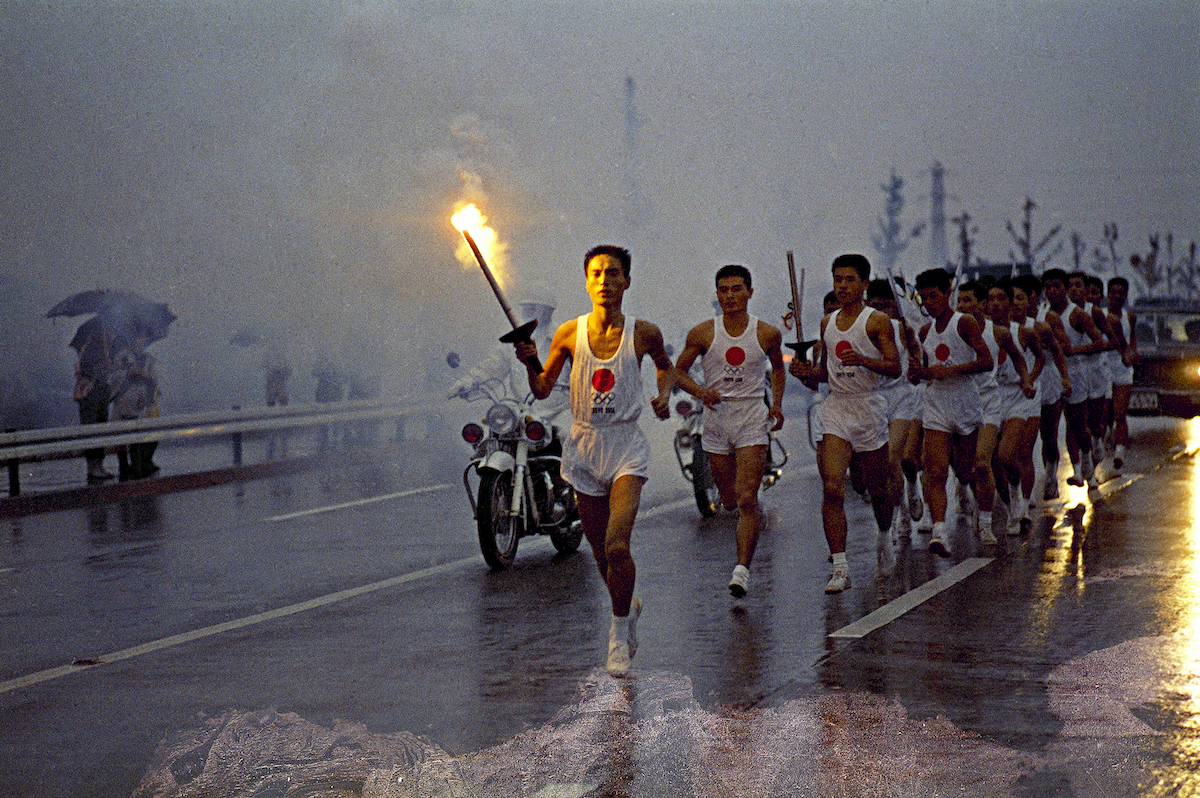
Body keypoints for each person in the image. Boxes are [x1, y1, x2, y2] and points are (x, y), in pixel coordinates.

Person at [514, 245, 675, 676]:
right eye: (597, 273)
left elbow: (664, 365)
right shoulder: (569, 333)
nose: (605, 280)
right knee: (601, 555)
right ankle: (629, 606)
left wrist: (662, 394)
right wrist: (531, 362)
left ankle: (618, 637)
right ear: (587, 281)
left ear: (627, 281)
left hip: (625, 446)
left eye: (614, 273)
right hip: (584, 446)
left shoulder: (644, 332)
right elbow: (544, 388)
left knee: (617, 544)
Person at [674, 264, 786, 598]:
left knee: (747, 498)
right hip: (716, 419)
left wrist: (776, 405)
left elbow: (778, 370)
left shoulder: (766, 333)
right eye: (723, 290)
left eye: (737, 289)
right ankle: (747, 508)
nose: (730, 296)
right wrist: (700, 392)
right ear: (717, 294)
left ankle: (741, 571)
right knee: (729, 501)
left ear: (750, 292)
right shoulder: (702, 333)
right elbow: (677, 372)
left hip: (752, 415)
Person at [789, 254, 899, 593]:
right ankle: (840, 566)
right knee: (833, 488)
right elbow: (824, 373)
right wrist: (806, 374)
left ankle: (884, 535)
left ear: (865, 284)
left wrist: (864, 359)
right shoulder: (828, 323)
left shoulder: (878, 321)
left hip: (868, 406)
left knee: (876, 488)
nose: (842, 286)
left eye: (850, 280)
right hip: (836, 407)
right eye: (838, 280)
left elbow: (895, 368)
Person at [909, 268, 992, 557]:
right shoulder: (923, 331)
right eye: (924, 298)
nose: (929, 302)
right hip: (936, 404)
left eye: (934, 296)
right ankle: (939, 532)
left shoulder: (964, 322)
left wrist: (950, 370)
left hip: (965, 401)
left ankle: (972, 500)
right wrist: (916, 372)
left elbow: (986, 361)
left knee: (966, 470)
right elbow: (922, 371)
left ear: (948, 294)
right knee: (936, 470)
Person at [957, 279, 1031, 545]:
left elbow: (1019, 357)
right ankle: (1007, 501)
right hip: (962, 403)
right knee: (967, 471)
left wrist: (1026, 379)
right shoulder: (951, 329)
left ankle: (990, 521)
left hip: (991, 401)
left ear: (982, 304)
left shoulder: (997, 332)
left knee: (988, 461)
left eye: (968, 300)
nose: (963, 306)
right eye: (959, 301)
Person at [866, 278, 923, 546]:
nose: (880, 310)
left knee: (894, 459)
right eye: (873, 305)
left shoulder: (904, 329)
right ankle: (903, 498)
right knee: (881, 470)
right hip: (873, 400)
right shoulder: (864, 328)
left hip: (901, 397)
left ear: (895, 305)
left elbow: (917, 357)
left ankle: (901, 512)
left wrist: (915, 366)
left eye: (885, 305)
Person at [987, 278, 1042, 536]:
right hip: (989, 398)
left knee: (1007, 455)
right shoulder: (979, 332)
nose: (996, 304)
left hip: (1017, 396)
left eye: (1001, 299)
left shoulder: (1024, 332)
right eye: (991, 299)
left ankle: (1019, 492)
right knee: (992, 463)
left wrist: (1029, 379)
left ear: (1010, 303)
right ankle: (1011, 508)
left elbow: (1040, 356)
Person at [1044, 269, 1106, 489]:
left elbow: (1099, 342)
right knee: (1053, 431)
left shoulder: (1078, 314)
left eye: (1056, 286)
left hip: (1077, 373)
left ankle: (1088, 463)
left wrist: (1074, 351)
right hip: (1051, 375)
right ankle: (1073, 472)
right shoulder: (1042, 315)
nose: (1052, 292)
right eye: (1047, 287)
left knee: (1079, 426)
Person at [109, 324, 160, 480]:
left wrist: (146, 377)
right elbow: (112, 378)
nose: (142, 341)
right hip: (123, 401)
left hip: (141, 401)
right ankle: (124, 467)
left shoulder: (149, 359)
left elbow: (155, 381)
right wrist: (127, 373)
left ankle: (140, 466)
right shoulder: (122, 357)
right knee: (122, 437)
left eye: (144, 338)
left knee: (140, 435)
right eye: (139, 337)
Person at [73, 320, 116, 483]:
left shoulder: (105, 350)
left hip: (100, 392)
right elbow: (87, 369)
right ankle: (93, 466)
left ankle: (99, 465)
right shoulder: (91, 350)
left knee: (101, 427)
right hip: (90, 393)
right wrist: (103, 365)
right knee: (93, 428)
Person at [1106, 277, 1137, 472]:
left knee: (1120, 413)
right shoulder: (1100, 316)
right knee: (1103, 414)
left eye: (1121, 292)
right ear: (1107, 294)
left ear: (1125, 295)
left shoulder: (1130, 317)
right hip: (1103, 368)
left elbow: (1132, 338)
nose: (1117, 296)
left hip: (1123, 368)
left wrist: (1133, 352)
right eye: (1113, 292)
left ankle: (1119, 452)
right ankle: (1104, 439)